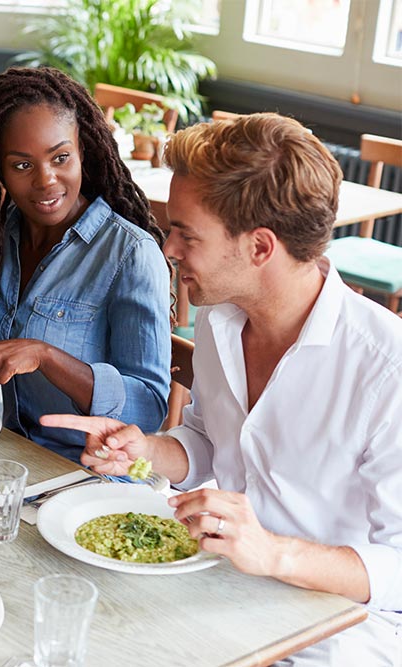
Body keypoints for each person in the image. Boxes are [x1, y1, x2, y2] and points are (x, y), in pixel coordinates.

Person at [44, 114, 402, 665]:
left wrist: (273, 553)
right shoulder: (218, 319)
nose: (169, 248)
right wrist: (145, 449)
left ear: (260, 247)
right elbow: (208, 443)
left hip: (330, 636)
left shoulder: (386, 366)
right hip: (208, 591)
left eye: (187, 233)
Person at [0, 67, 172, 463]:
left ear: (83, 152)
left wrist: (46, 356)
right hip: (7, 456)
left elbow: (148, 412)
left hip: (91, 473)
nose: (46, 181)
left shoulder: (130, 254)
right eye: (22, 165)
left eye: (61, 158)